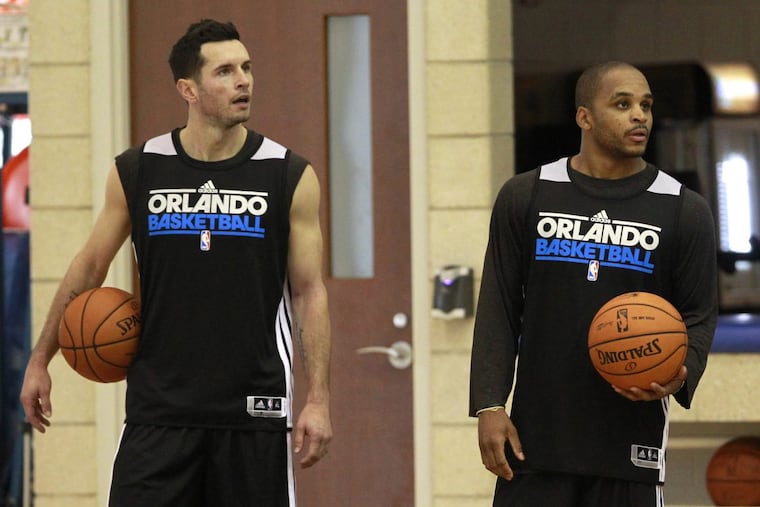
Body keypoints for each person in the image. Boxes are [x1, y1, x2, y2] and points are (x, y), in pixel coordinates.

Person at [19, 19, 332, 507]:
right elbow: (90, 266)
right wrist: (41, 358)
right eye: (225, 71)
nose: (243, 80)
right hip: (158, 413)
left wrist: (317, 399)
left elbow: (310, 292)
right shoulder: (139, 169)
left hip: (253, 411)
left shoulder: (288, 174)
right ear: (188, 88)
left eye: (246, 68)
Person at [469, 61, 717, 507]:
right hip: (535, 445)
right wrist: (489, 404)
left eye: (645, 105)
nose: (639, 115)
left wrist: (679, 373)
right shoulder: (527, 195)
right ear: (584, 117)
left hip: (628, 449)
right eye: (622, 104)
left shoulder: (683, 209)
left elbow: (699, 313)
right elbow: (499, 307)